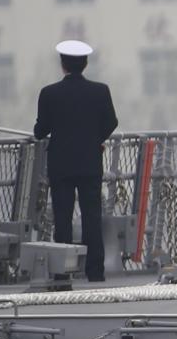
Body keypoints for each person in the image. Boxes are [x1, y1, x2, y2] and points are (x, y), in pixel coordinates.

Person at [33, 39, 118, 283]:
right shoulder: (100, 91)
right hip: (90, 163)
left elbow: (41, 130)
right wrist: (95, 139)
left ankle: (62, 272)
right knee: (92, 217)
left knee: (63, 217)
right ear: (85, 63)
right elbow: (111, 122)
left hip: (61, 165)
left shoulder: (49, 93)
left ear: (63, 65)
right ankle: (95, 272)